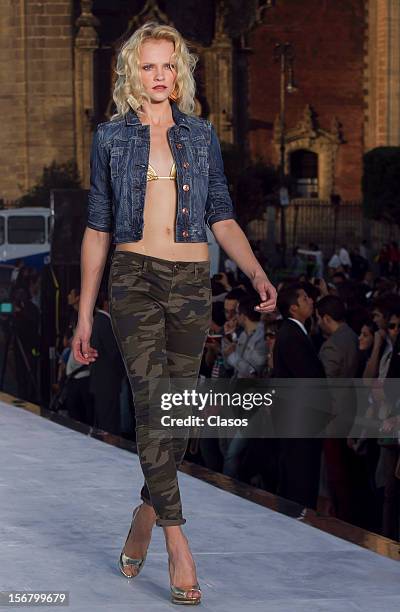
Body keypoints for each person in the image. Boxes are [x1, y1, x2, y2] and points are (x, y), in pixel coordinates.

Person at [72, 22, 277, 606]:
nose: (159, 76)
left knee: (177, 410)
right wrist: (87, 315)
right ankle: (176, 538)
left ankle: (145, 508)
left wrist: (257, 271)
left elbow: (221, 214)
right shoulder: (111, 138)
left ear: (179, 72)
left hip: (191, 280)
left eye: (168, 66)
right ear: (131, 72)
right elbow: (98, 226)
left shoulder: (200, 135)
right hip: (133, 280)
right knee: (150, 404)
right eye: (148, 65)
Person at [272, 283, 326, 518]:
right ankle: (297, 518)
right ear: (293, 308)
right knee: (299, 475)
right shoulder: (291, 335)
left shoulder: (294, 332)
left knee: (296, 473)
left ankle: (294, 515)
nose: (311, 301)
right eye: (305, 298)